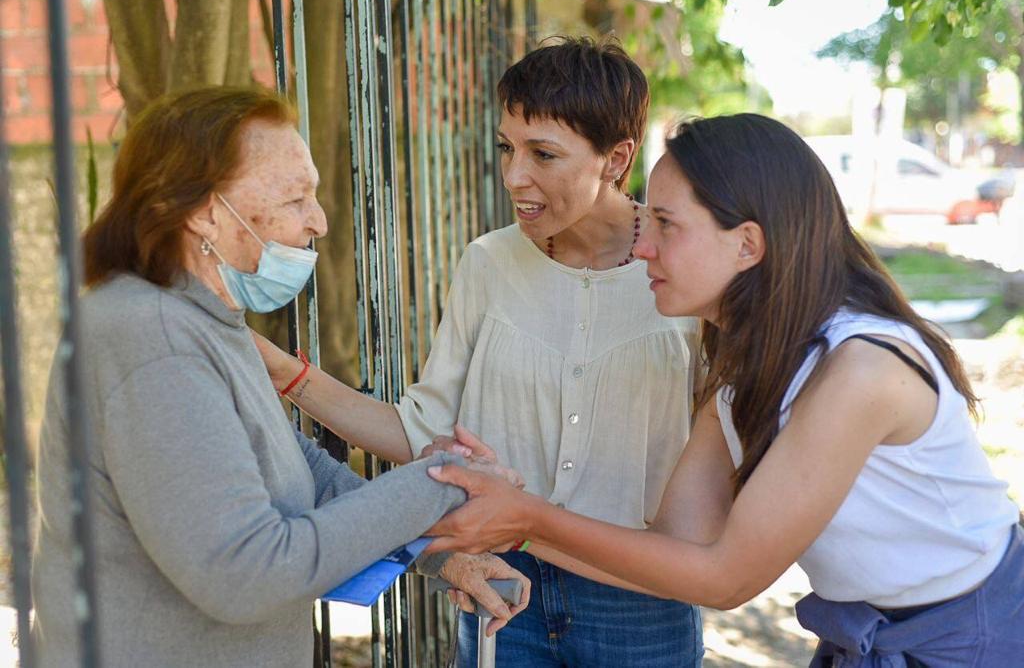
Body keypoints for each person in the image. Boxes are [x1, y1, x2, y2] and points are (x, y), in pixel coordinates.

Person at [423, 113, 1024, 666]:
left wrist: (525, 516)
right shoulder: (743, 371)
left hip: (974, 640)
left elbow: (726, 578)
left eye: (665, 223)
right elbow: (675, 555)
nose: (640, 246)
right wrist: (508, 519)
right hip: (867, 637)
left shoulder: (859, 370)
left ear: (747, 245)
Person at [30, 86, 527, 668]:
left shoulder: (203, 319)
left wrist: (440, 554)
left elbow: (304, 475)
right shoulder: (152, 337)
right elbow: (244, 573)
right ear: (204, 212)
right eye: (296, 198)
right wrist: (443, 481)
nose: (318, 220)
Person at [255, 38, 704, 667]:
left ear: (617, 157)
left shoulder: (685, 274)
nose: (515, 174)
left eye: (543, 153)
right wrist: (282, 371)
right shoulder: (488, 263)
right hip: (498, 582)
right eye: (507, 147)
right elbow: (422, 435)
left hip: (639, 599)